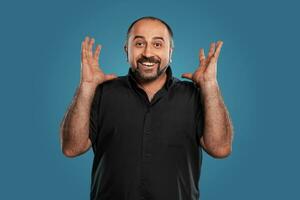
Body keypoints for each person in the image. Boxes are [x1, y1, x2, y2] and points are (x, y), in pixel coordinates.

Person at [60, 16, 233, 200]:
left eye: (157, 44)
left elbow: (220, 149)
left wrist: (210, 86)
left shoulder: (194, 95)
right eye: (139, 43)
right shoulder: (102, 93)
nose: (148, 52)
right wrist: (86, 86)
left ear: (170, 52)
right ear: (127, 50)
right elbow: (72, 149)